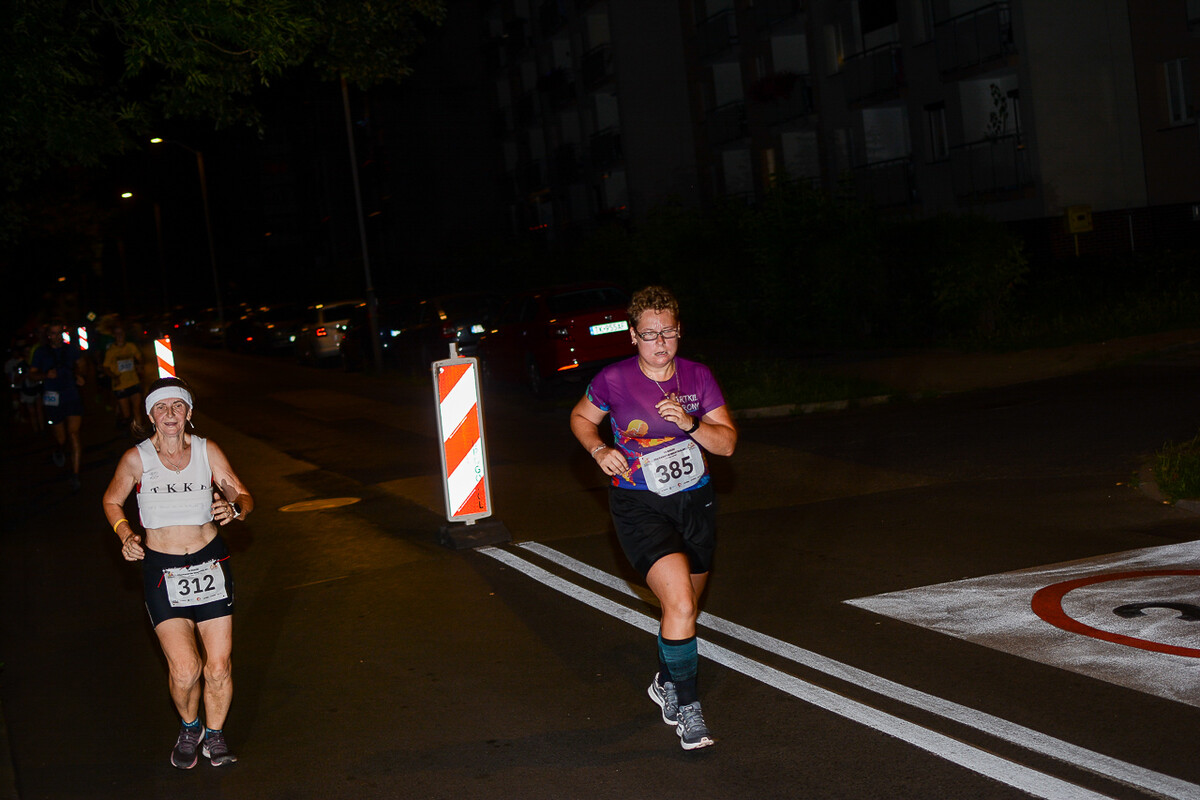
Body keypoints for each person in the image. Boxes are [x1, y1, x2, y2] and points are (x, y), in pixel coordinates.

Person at [569, 286, 737, 750]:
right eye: (649, 334)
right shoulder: (614, 379)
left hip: (695, 502)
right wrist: (598, 449)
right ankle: (689, 710)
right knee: (680, 604)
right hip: (639, 505)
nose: (660, 342)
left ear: (679, 331)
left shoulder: (698, 377)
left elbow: (726, 445)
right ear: (633, 336)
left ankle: (666, 680)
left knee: (684, 609)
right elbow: (581, 418)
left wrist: (690, 423)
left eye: (668, 332)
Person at [102, 376, 254, 769]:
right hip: (162, 569)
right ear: (151, 415)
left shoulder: (206, 450)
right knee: (186, 670)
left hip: (210, 562)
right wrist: (125, 534)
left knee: (218, 665)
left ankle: (215, 735)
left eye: (178, 406)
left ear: (189, 413)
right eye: (161, 407)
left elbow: (241, 493)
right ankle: (191, 726)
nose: (170, 414)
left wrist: (235, 508)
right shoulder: (136, 459)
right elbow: (112, 500)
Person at [29, 320, 88, 490]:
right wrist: (45, 375)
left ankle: (75, 474)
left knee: (74, 434)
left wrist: (80, 375)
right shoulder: (41, 352)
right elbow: (32, 375)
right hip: (53, 397)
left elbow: (82, 365)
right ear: (49, 335)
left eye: (59, 333)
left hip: (71, 395)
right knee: (61, 438)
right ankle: (59, 449)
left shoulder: (71, 349)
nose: (57, 337)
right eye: (54, 333)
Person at [102, 324, 144, 432]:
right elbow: (105, 367)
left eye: (121, 333)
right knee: (126, 414)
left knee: (137, 409)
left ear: (124, 334)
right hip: (120, 385)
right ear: (114, 335)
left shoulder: (131, 346)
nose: (119, 335)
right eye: (117, 333)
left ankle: (139, 432)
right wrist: (114, 377)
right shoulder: (111, 350)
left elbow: (140, 358)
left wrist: (140, 365)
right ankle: (124, 424)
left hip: (134, 381)